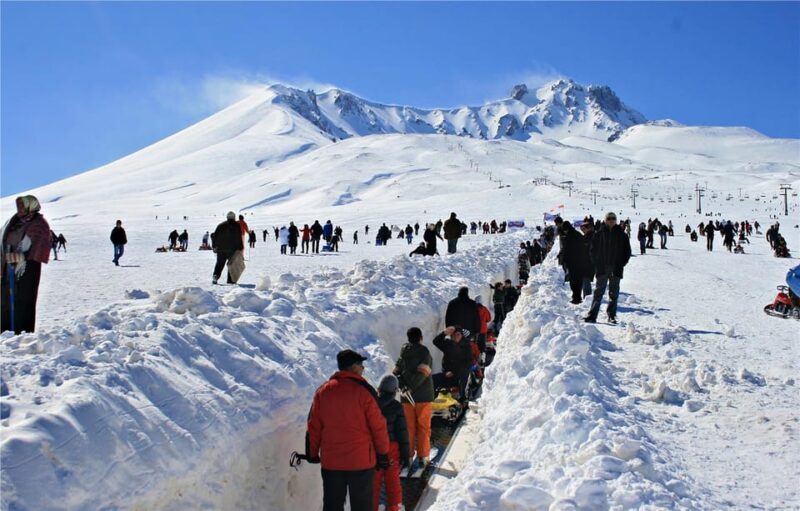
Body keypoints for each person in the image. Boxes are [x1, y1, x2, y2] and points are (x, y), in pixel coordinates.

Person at [306, 349, 390, 511]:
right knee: (362, 505)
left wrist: (312, 453)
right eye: (360, 365)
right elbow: (378, 426)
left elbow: (314, 426)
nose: (363, 368)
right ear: (353, 367)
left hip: (332, 462)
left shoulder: (323, 392)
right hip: (361, 461)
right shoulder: (364, 391)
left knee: (332, 505)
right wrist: (382, 454)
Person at [1, 195, 51, 334]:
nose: (20, 209)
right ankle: (4, 332)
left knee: (23, 299)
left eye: (23, 206)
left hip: (28, 268)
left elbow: (39, 244)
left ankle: (21, 334)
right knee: (5, 299)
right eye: (19, 206)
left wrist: (22, 257)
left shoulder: (39, 223)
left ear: (31, 205)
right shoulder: (15, 221)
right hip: (8, 266)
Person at [393, 327, 434, 469]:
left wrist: (404, 386)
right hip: (423, 396)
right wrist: (412, 387)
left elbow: (396, 371)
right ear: (421, 337)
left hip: (406, 397)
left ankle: (408, 456)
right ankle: (423, 457)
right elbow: (424, 372)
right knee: (423, 427)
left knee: (408, 427)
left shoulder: (403, 352)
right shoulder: (424, 352)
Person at [584, 212, 631, 324]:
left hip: (616, 268)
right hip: (602, 268)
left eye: (613, 218)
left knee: (614, 293)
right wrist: (597, 264)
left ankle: (612, 315)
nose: (611, 220)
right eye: (609, 218)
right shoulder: (599, 234)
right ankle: (592, 315)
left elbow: (627, 252)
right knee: (598, 292)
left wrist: (621, 264)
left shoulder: (622, 235)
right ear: (605, 220)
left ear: (616, 220)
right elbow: (592, 251)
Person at [372, 375, 410, 511]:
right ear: (394, 391)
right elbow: (402, 433)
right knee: (392, 480)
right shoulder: (397, 407)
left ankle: (373, 507)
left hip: (374, 448)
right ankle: (396, 507)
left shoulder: (371, 404)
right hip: (391, 448)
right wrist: (406, 456)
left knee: (374, 482)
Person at [432, 326, 473, 401]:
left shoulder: (466, 346)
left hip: (459, 374)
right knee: (432, 379)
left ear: (461, 335)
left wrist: (454, 372)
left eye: (458, 334)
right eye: (453, 335)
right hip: (446, 373)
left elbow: (468, 363)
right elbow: (435, 341)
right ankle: (433, 400)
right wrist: (444, 333)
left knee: (462, 378)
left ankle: (462, 400)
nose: (456, 337)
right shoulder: (448, 344)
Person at [562, 221, 592, 304]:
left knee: (574, 281)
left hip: (573, 262)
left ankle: (576, 298)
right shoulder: (577, 234)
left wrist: (564, 260)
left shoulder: (570, 236)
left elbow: (566, 250)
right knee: (577, 281)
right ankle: (577, 297)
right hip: (579, 261)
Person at [212, 212, 244, 284]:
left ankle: (215, 276)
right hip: (232, 249)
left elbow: (215, 237)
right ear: (234, 217)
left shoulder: (220, 225)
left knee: (219, 264)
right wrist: (240, 247)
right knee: (232, 265)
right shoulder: (237, 225)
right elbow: (239, 237)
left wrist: (214, 246)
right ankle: (230, 280)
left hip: (221, 249)